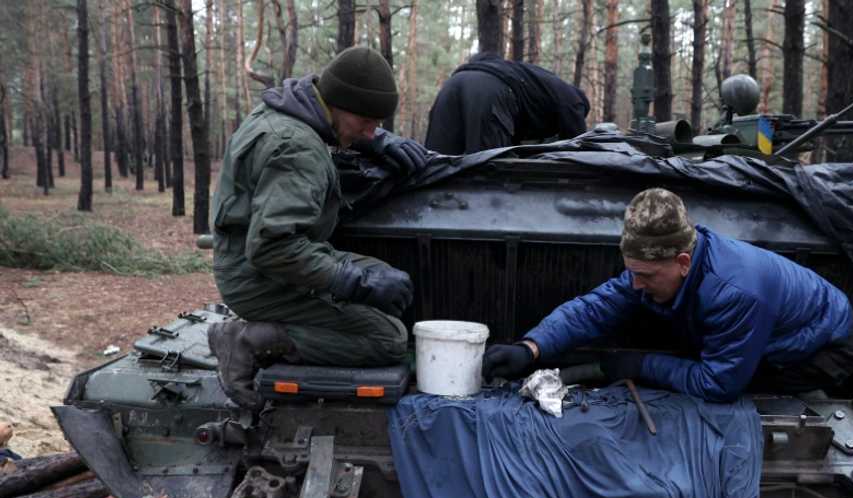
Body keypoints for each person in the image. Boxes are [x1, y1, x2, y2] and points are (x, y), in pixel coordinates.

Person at [482, 188, 853, 403]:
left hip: (825, 347)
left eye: (646, 276)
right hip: (763, 325)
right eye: (632, 273)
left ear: (683, 261)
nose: (636, 286)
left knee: (740, 401)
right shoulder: (659, 267)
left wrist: (641, 366)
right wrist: (531, 348)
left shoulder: (735, 292)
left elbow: (719, 385)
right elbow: (595, 308)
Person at [207, 47, 429, 407]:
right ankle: (247, 340)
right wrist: (352, 281)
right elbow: (273, 248)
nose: (373, 132)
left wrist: (372, 142)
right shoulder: (298, 149)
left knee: (389, 281)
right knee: (387, 339)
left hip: (256, 260)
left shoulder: (288, 109)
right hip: (256, 276)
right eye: (367, 122)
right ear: (341, 104)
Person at [424, 52, 590, 155]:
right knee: (488, 169)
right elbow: (576, 150)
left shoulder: (536, 84)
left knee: (436, 164)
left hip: (453, 83)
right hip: (489, 87)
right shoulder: (575, 101)